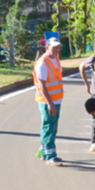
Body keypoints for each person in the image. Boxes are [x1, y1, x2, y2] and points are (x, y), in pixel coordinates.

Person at [34, 37, 65, 166]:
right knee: (49, 127)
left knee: (50, 126)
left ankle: (43, 151)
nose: (57, 49)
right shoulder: (43, 63)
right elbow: (41, 84)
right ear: (47, 48)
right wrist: (50, 103)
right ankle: (50, 156)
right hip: (48, 101)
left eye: (58, 47)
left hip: (56, 99)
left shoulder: (56, 59)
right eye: (54, 47)